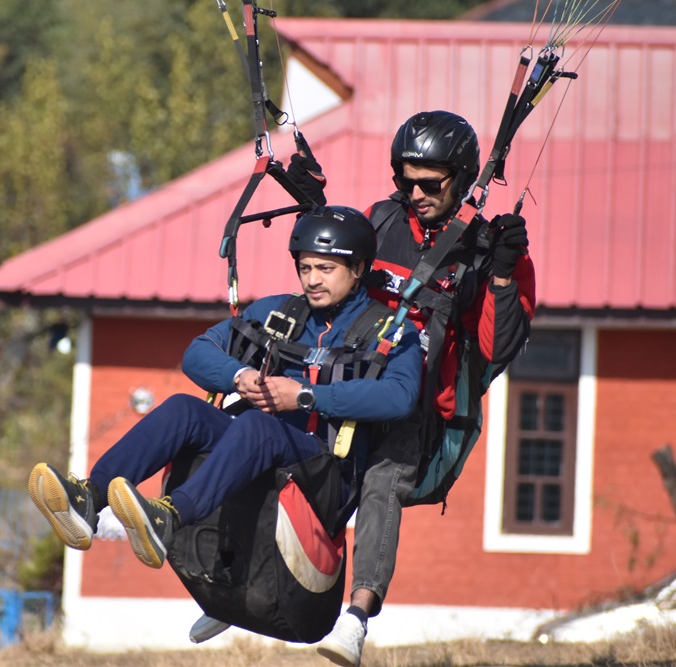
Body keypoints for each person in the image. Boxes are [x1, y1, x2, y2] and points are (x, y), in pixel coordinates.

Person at [28, 205, 424, 578]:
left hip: (323, 468)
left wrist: (304, 396)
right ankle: (89, 499)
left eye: (325, 268)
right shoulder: (278, 311)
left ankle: (169, 516)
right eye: (305, 268)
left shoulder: (392, 329)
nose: (312, 279)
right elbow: (197, 353)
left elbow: (399, 396)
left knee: (257, 426)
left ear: (357, 269)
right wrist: (240, 376)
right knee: (185, 409)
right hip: (255, 448)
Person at [283, 110, 536, 667]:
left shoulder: (485, 249)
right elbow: (332, 268)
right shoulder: (378, 221)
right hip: (348, 378)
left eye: (430, 183)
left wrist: (501, 273)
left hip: (411, 404)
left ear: (463, 178)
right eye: (405, 179)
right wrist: (313, 208)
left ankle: (355, 620)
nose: (414, 193)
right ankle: (243, 578)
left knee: (379, 484)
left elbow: (498, 349)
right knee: (284, 455)